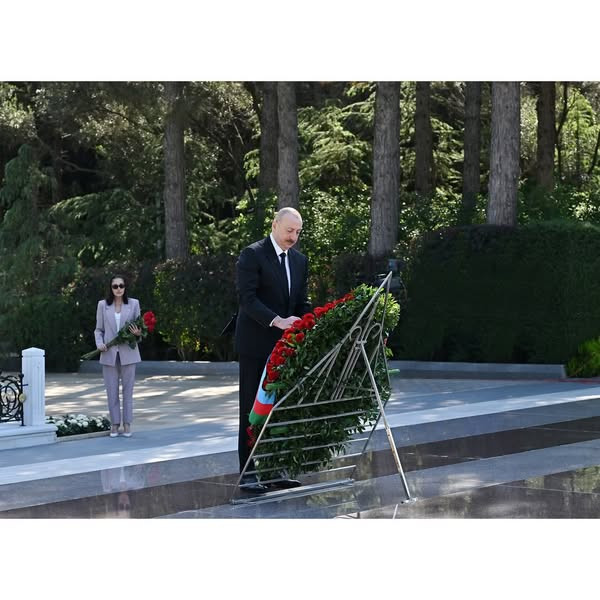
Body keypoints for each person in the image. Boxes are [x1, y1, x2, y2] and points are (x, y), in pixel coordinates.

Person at [235, 207, 311, 492]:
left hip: (286, 347)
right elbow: (247, 299)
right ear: (275, 225)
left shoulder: (299, 261)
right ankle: (249, 472)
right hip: (255, 345)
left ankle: (275, 468)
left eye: (298, 232)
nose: (293, 237)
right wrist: (277, 320)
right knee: (252, 409)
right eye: (289, 230)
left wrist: (309, 322)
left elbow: (301, 301)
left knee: (280, 409)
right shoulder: (252, 254)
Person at [94, 275, 142, 438]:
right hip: (109, 353)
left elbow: (139, 329)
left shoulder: (134, 304)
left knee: (128, 391)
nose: (119, 289)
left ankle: (127, 423)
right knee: (111, 390)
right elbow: (98, 330)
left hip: (129, 353)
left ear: (125, 287)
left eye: (121, 285)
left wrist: (138, 333)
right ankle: (114, 423)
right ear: (111, 288)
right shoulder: (102, 305)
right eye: (115, 286)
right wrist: (99, 343)